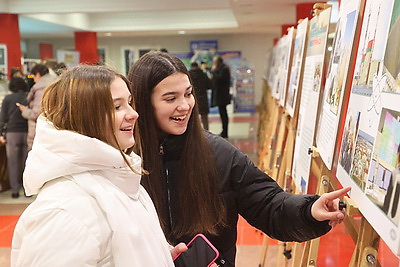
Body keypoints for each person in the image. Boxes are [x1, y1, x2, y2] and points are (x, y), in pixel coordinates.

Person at [127, 51, 351, 267]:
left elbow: (268, 204)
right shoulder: (123, 163)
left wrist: (309, 211)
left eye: (188, 94)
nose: (185, 105)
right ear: (143, 104)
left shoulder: (219, 155)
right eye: (170, 98)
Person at [11, 65, 186, 266]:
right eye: (117, 107)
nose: (133, 114)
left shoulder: (121, 181)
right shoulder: (64, 210)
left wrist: (155, 256)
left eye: (129, 103)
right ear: (84, 116)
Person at [0, 77, 28, 198]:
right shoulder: (28, 97)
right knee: (26, 162)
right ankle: (27, 189)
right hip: (27, 132)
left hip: (12, 133)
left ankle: (15, 191)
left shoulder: (7, 98)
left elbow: (2, 118)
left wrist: (1, 134)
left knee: (13, 162)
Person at [18, 64, 57, 150]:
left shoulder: (41, 88)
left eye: (34, 77)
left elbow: (36, 113)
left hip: (40, 133)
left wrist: (25, 110)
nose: (34, 80)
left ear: (38, 74)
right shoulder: (56, 83)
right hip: (53, 131)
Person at [211, 56, 231, 138]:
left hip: (223, 96)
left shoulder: (224, 69)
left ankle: (225, 131)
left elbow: (220, 79)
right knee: (222, 113)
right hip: (221, 95)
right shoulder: (222, 69)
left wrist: (214, 71)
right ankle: (224, 131)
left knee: (224, 114)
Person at [189, 62, 211, 130]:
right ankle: (207, 134)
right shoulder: (203, 74)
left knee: (193, 119)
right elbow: (209, 85)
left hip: (192, 98)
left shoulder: (188, 75)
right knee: (204, 118)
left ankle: (194, 134)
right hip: (203, 98)